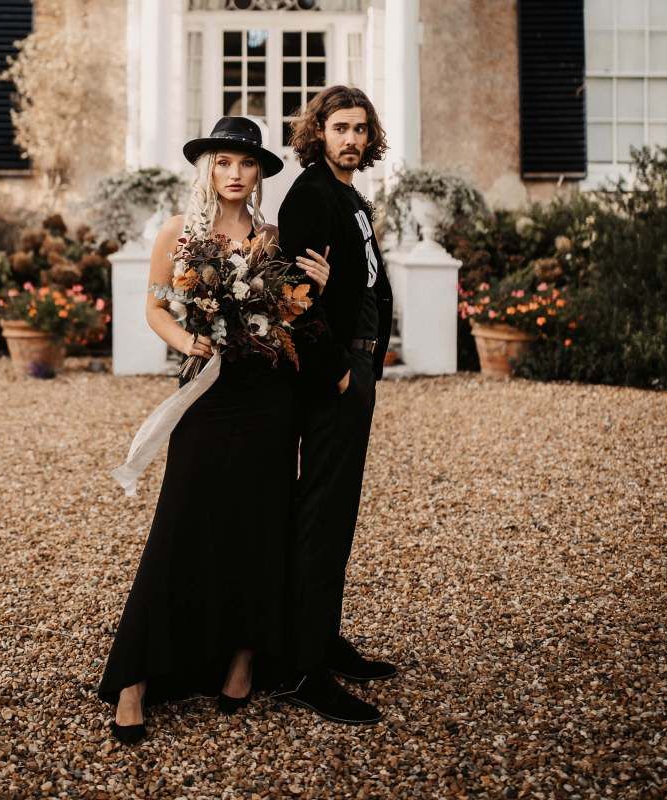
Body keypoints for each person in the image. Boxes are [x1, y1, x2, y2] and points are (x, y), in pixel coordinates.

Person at [96, 116, 332, 744]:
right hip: (207, 390)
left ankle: (243, 658)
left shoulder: (272, 240)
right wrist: (188, 340)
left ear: (259, 174)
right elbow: (152, 306)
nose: (235, 174)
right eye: (224, 162)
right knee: (182, 520)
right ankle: (135, 675)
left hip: (267, 398)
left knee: (261, 521)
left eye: (247, 164)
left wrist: (319, 289)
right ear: (208, 168)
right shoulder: (179, 232)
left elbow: (295, 311)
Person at [276, 86, 397, 724]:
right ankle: (302, 669)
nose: (351, 138)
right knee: (321, 512)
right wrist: (336, 377)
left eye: (359, 128)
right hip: (334, 374)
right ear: (318, 132)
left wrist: (367, 364)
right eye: (339, 127)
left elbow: (365, 280)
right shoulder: (310, 194)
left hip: (359, 362)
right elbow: (296, 300)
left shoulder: (347, 194)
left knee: (339, 509)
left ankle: (323, 638)